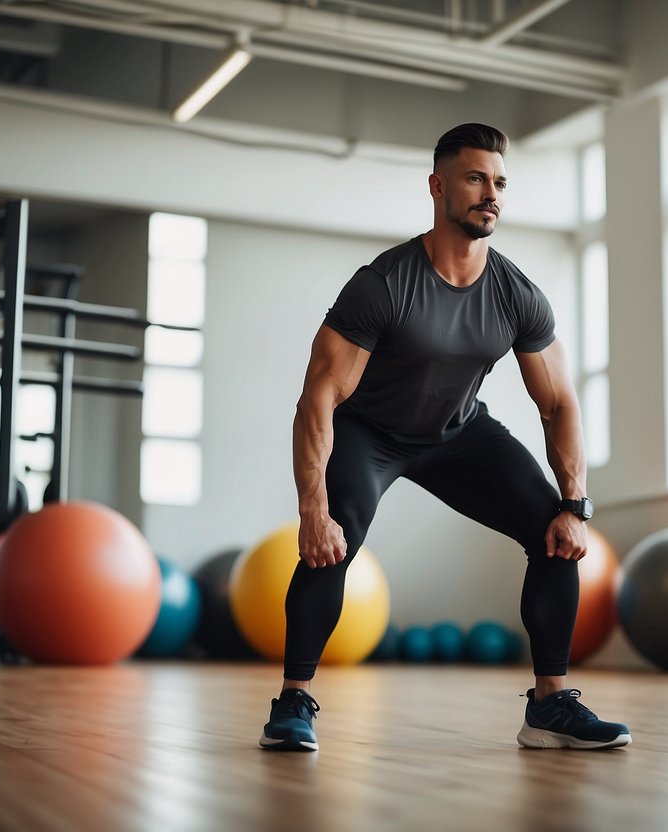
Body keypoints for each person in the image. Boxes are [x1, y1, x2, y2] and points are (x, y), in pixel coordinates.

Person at [259, 123, 631, 753]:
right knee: (334, 536)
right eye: (476, 178)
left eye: (500, 182)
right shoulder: (383, 284)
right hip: (369, 433)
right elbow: (319, 396)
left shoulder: (515, 294)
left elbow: (559, 401)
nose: (492, 194)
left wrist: (575, 504)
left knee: (553, 531)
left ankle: (550, 705)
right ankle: (293, 700)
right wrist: (312, 510)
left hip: (457, 432)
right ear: (437, 187)